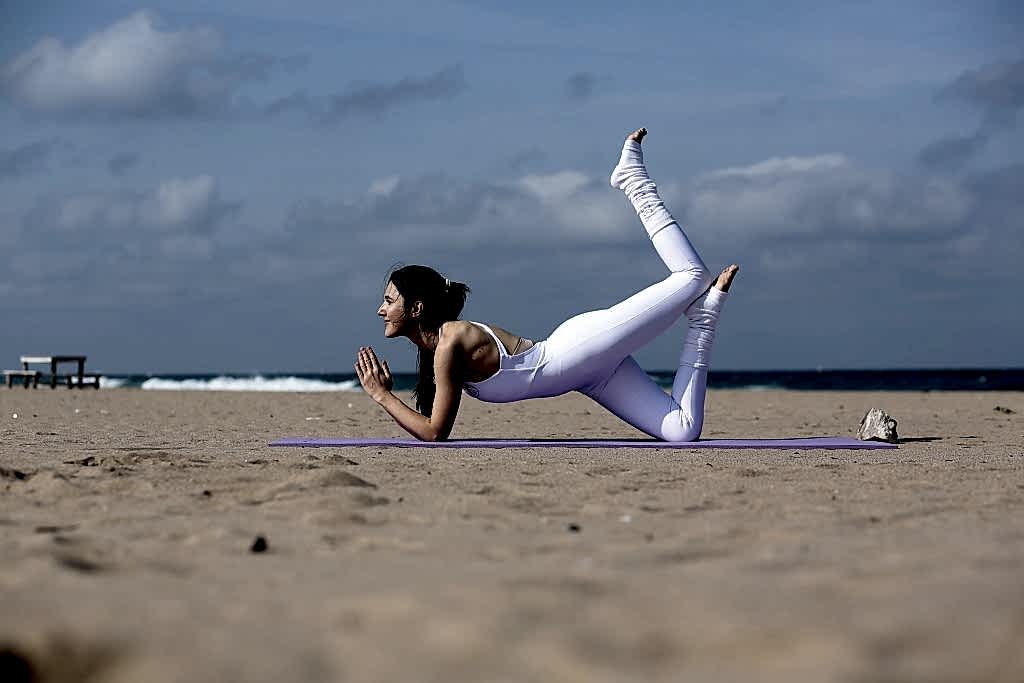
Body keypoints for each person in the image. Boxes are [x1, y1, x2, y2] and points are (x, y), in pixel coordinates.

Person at [354, 128, 738, 441]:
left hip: (579, 350)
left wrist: (380, 394)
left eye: (389, 300)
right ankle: (702, 320)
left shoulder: (451, 341)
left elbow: (435, 432)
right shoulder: (436, 350)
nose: (381, 309)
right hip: (591, 377)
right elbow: (432, 425)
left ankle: (634, 182)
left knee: (692, 277)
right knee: (682, 431)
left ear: (416, 308)